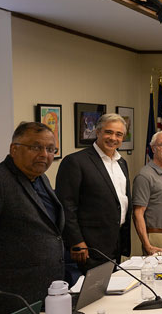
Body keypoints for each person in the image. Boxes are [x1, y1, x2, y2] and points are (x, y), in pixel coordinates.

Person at [55, 113, 130, 277]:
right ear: (98, 132)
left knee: (111, 291)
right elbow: (66, 205)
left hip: (114, 241)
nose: (113, 138)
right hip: (88, 245)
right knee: (90, 296)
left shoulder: (121, 163)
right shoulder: (76, 161)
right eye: (108, 132)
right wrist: (76, 241)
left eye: (119, 134)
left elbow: (120, 201)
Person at [0, 122, 64, 306]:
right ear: (14, 149)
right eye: (36, 147)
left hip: (47, 289)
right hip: (13, 294)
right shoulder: (1, 180)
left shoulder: (41, 177)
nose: (44, 154)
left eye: (51, 149)